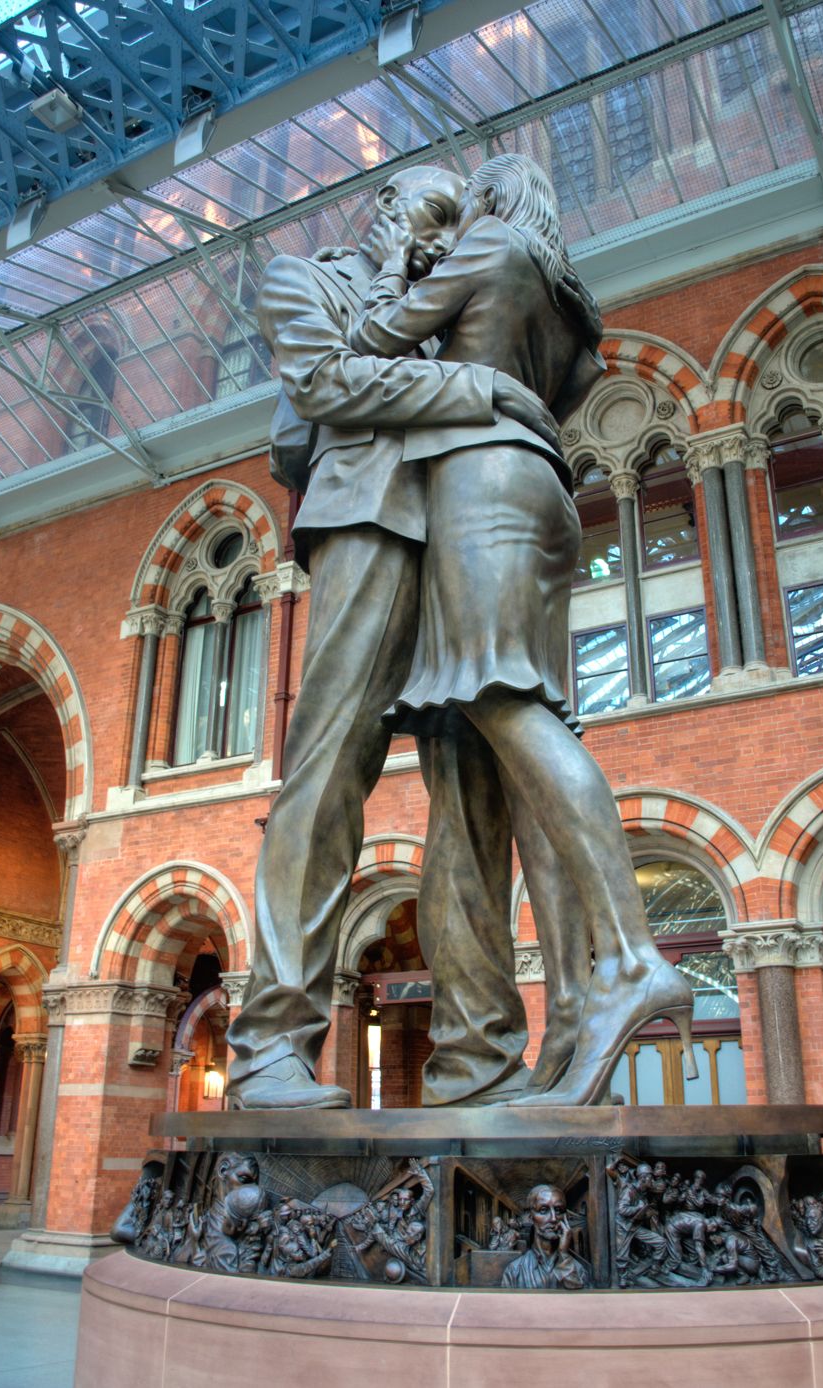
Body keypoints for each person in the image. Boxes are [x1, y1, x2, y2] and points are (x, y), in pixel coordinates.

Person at [349, 152, 696, 1106]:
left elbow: (376, 341)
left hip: (484, 484)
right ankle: (578, 1006)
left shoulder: (489, 244)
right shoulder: (565, 294)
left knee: (505, 706)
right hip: (548, 489)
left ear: (493, 200)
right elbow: (563, 386)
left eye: (467, 202)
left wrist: (398, 262)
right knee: (521, 733)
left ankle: (630, 958)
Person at [225, 164, 576, 1109]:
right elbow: (326, 384)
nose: (445, 233)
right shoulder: (303, 278)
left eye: (459, 219)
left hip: (474, 529)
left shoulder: (453, 289)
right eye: (434, 212)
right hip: (373, 518)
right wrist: (480, 388)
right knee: (331, 762)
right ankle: (269, 1048)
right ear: (383, 207)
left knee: (476, 790)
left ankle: (478, 1059)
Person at [501, 1184, 589, 1289]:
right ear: (530, 1217)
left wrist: (563, 1255)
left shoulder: (578, 1271)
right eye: (543, 1210)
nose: (553, 1218)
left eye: (558, 1210)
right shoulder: (514, 1271)